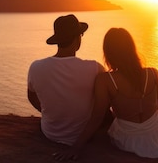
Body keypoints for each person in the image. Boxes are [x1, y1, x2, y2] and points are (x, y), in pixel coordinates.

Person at [53, 27, 158, 161]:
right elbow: (155, 106)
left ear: (108, 52)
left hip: (129, 141)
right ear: (132, 49)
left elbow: (97, 117)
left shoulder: (106, 80)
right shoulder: (153, 73)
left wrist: (76, 147)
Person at [27, 14, 105, 145]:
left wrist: (50, 113)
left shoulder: (36, 67)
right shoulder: (95, 68)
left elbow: (31, 96)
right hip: (82, 135)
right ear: (77, 39)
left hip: (50, 132)